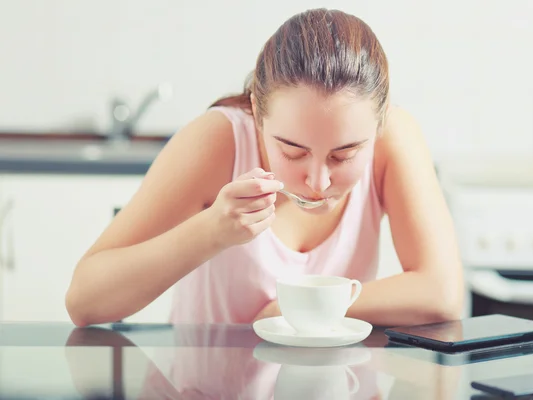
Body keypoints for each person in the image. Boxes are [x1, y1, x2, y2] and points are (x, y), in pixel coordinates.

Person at [65, 8, 464, 328]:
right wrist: (210, 231)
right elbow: (85, 302)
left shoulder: (394, 139)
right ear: (258, 111)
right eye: (292, 151)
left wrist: (294, 310)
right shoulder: (217, 141)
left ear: (378, 122)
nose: (318, 181)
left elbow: (443, 293)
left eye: (343, 155)